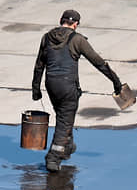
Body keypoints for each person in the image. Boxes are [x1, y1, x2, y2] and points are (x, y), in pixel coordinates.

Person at [31, 9, 122, 172]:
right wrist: (116, 82)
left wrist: (35, 89)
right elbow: (98, 62)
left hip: (51, 84)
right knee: (65, 119)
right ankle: (53, 157)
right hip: (67, 86)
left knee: (63, 116)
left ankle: (67, 146)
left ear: (61, 20)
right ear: (76, 24)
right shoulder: (77, 39)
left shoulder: (46, 37)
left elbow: (39, 65)